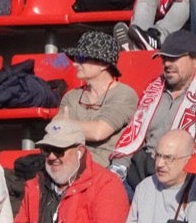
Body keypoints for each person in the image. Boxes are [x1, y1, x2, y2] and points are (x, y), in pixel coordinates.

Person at [108, 33, 196, 189]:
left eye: (174, 58)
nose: (167, 64)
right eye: (164, 59)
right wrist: (118, 167)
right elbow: (133, 134)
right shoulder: (154, 89)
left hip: (184, 174)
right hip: (141, 167)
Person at [15, 120, 132, 223]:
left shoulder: (106, 183)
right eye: (46, 150)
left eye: (59, 150)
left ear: (79, 151)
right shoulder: (35, 183)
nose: (51, 157)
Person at [57, 32, 139, 169]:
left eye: (81, 58)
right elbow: (55, 129)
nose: (75, 64)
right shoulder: (72, 96)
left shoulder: (124, 94)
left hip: (105, 171)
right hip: (69, 166)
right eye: (75, 58)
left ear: (103, 64)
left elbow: (99, 132)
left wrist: (66, 125)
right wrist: (62, 126)